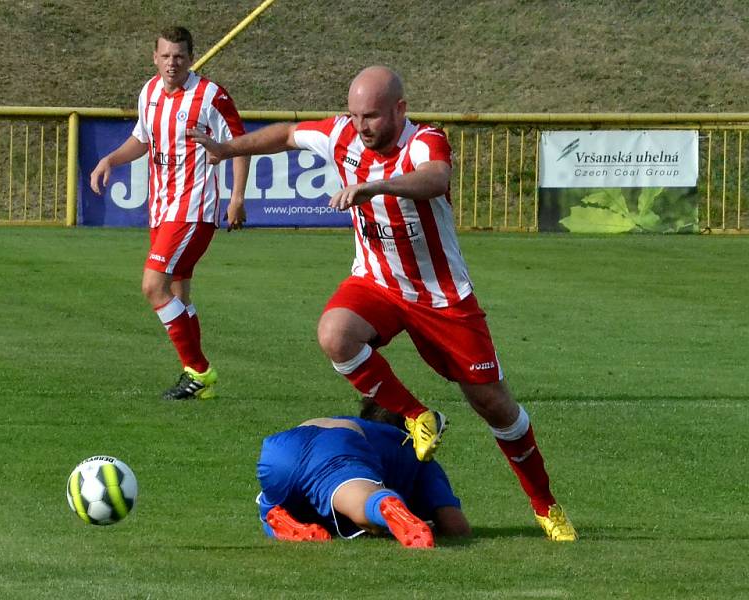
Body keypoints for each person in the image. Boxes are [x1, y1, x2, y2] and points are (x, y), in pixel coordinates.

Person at [190, 66, 577, 541]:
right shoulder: (341, 135)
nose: (361, 126)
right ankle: (417, 415)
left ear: (400, 109)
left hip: (441, 296)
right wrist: (229, 148)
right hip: (377, 284)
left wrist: (376, 186)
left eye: (371, 116)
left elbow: (435, 178)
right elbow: (290, 134)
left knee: (494, 405)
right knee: (334, 334)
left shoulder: (423, 142)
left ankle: (546, 506)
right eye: (354, 115)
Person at [90, 26, 249, 400]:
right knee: (178, 293)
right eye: (165, 55)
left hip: (193, 209)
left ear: (191, 58)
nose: (171, 63)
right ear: (155, 58)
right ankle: (196, 380)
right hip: (161, 209)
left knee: (153, 285)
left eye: (179, 56)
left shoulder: (211, 95)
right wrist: (110, 159)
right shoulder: (149, 92)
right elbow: (141, 140)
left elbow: (240, 145)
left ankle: (200, 371)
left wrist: (237, 197)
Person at [256, 407, 471, 548]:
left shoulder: (349, 422)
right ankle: (386, 505)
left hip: (281, 448)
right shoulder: (410, 447)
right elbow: (455, 525)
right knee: (362, 500)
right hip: (335, 447)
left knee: (277, 505)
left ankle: (277, 524)